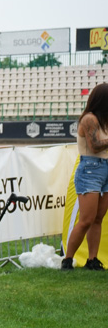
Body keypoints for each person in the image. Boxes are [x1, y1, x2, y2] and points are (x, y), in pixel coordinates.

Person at [62, 82, 108, 271]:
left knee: (98, 218)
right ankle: (68, 259)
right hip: (90, 169)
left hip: (104, 169)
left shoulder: (103, 119)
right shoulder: (89, 119)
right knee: (86, 219)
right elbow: (95, 145)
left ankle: (92, 259)